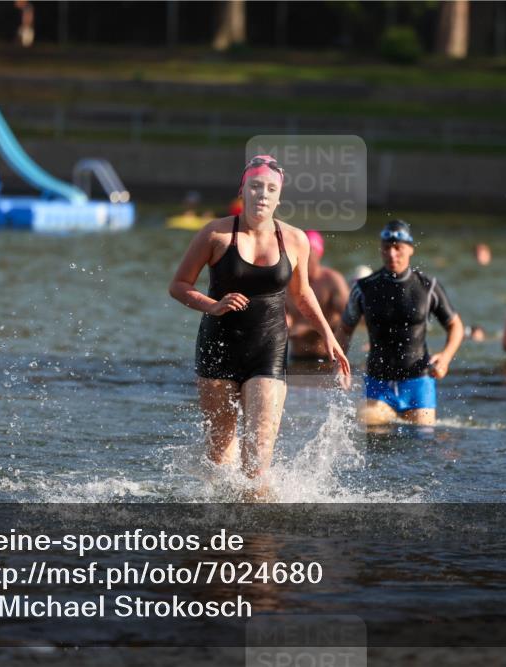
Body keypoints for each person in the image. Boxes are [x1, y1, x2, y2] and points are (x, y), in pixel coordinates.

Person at [168, 155, 350, 495]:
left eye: (270, 189)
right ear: (243, 191)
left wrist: (328, 335)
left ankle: (256, 537)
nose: (262, 194)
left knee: (258, 455)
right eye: (255, 186)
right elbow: (179, 285)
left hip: (268, 348)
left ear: (279, 197)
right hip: (218, 346)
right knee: (220, 454)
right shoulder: (215, 233)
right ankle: (223, 535)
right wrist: (214, 305)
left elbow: (302, 293)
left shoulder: (294, 240)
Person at [337, 220, 464, 427]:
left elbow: (455, 326)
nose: (392, 253)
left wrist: (446, 357)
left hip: (418, 383)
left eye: (398, 248)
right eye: (386, 248)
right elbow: (344, 328)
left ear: (410, 249)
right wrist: (340, 364)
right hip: (378, 382)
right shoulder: (365, 288)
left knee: (423, 441)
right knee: (373, 438)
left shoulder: (428, 287)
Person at [285, 230, 350, 360]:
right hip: (296, 359)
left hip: (328, 359)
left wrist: (311, 326)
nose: (302, 259)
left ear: (318, 254)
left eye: (307, 254)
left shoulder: (332, 281)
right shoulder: (287, 282)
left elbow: (351, 317)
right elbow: (284, 319)